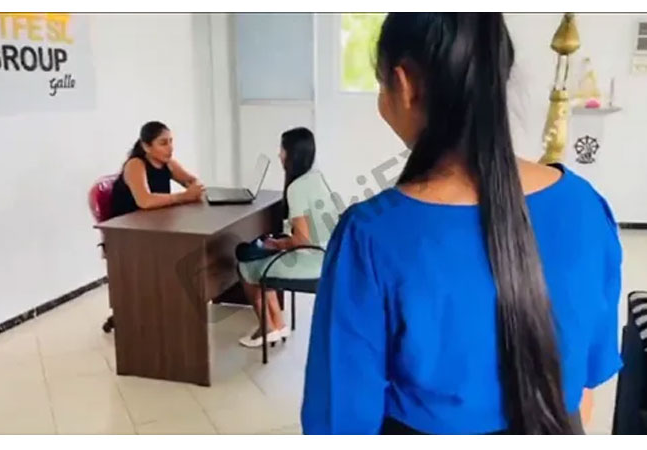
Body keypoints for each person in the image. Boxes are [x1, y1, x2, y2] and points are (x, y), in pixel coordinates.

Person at [301, 13, 622, 434]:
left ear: (404, 84)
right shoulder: (585, 205)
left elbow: (339, 421)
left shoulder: (369, 237)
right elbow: (586, 389)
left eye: (381, 84)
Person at [237, 127, 338, 348]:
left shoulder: (296, 188)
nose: (279, 154)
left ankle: (267, 327)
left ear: (292, 154)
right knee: (263, 256)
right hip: (327, 256)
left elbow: (302, 239)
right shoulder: (316, 178)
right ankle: (278, 324)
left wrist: (277, 244)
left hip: (311, 262)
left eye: (282, 150)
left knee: (247, 265)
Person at [111, 121, 204, 217]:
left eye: (171, 141)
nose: (171, 148)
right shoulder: (135, 164)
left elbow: (192, 181)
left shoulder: (169, 163)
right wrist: (184, 196)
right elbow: (145, 201)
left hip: (155, 219)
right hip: (128, 222)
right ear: (146, 147)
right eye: (163, 143)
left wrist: (195, 188)